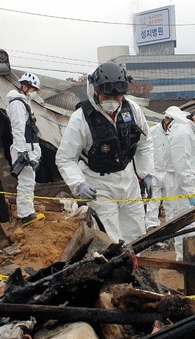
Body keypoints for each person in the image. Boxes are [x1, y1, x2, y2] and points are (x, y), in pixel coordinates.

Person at [55, 63, 154, 244]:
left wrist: (145, 173)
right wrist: (79, 185)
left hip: (128, 179)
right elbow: (65, 158)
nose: (113, 100)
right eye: (108, 96)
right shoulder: (81, 118)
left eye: (117, 96)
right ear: (95, 90)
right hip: (98, 184)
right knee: (110, 237)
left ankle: (138, 269)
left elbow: (145, 144)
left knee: (137, 231)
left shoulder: (132, 110)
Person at [145, 106, 195, 260]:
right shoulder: (154, 132)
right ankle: (152, 227)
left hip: (170, 173)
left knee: (172, 208)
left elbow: (181, 162)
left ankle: (173, 240)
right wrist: (146, 173)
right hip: (156, 171)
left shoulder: (178, 132)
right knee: (154, 200)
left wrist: (191, 181)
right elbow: (146, 150)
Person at [6, 72, 45, 226]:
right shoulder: (17, 103)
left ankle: (27, 211)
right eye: (33, 89)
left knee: (29, 182)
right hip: (24, 150)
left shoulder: (24, 102)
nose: (34, 92)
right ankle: (26, 214)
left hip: (29, 148)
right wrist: (23, 153)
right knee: (26, 182)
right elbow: (18, 129)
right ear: (24, 87)